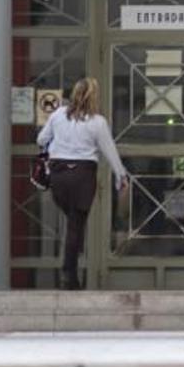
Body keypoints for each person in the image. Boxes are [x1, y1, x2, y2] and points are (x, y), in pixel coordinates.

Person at [37, 77, 127, 290]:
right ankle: (69, 274)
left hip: (58, 175)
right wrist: (120, 176)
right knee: (76, 225)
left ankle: (71, 270)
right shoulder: (97, 122)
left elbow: (41, 139)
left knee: (72, 224)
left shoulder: (58, 115)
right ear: (94, 97)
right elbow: (109, 152)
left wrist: (56, 144)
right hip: (83, 177)